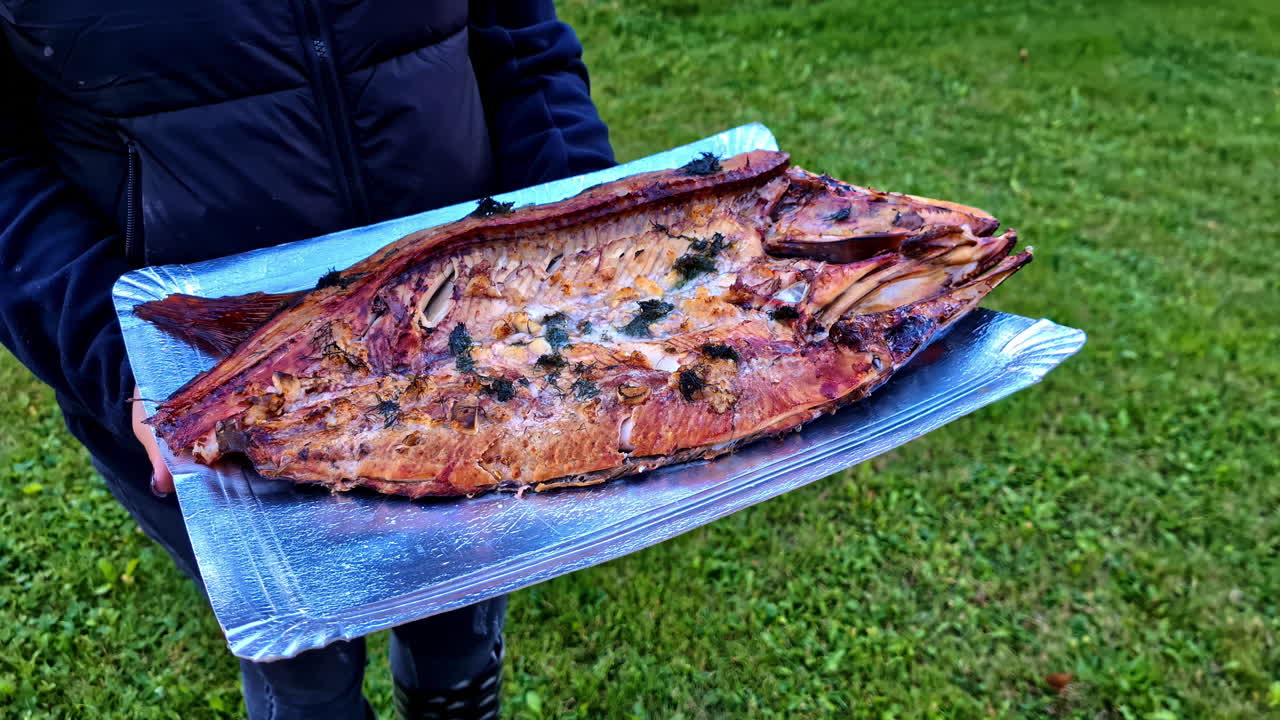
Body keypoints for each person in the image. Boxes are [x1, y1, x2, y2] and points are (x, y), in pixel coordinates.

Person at [0, 2, 614, 718]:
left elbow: (519, 45)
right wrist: (121, 352)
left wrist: (579, 232)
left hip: (471, 350)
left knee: (462, 605)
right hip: (208, 378)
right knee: (304, 674)